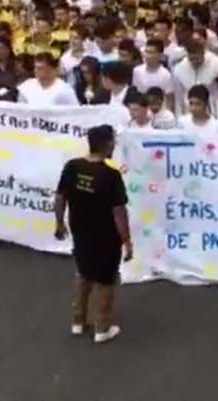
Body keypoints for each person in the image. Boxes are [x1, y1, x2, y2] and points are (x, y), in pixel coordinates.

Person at [55, 124, 132, 344]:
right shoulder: (111, 176)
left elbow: (60, 197)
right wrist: (127, 241)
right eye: (113, 142)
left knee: (84, 273)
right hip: (105, 237)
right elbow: (119, 212)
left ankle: (78, 321)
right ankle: (102, 328)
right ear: (107, 145)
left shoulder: (72, 167)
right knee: (106, 280)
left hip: (80, 231)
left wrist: (59, 224)